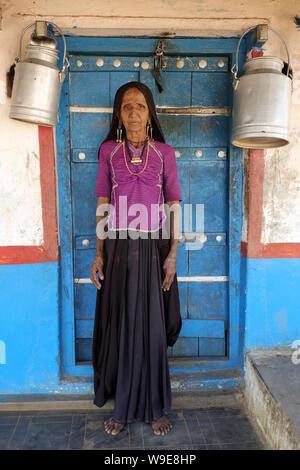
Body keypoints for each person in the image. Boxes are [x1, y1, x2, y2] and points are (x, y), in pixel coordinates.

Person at [90, 81, 182, 436]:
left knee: (154, 329)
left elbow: (173, 205)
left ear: (149, 113)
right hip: (117, 249)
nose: (133, 112)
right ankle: (124, 408)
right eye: (126, 106)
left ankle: (156, 407)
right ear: (118, 113)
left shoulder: (164, 153)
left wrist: (173, 252)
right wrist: (98, 253)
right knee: (123, 327)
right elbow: (103, 204)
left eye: (140, 106)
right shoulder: (109, 153)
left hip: (154, 247)